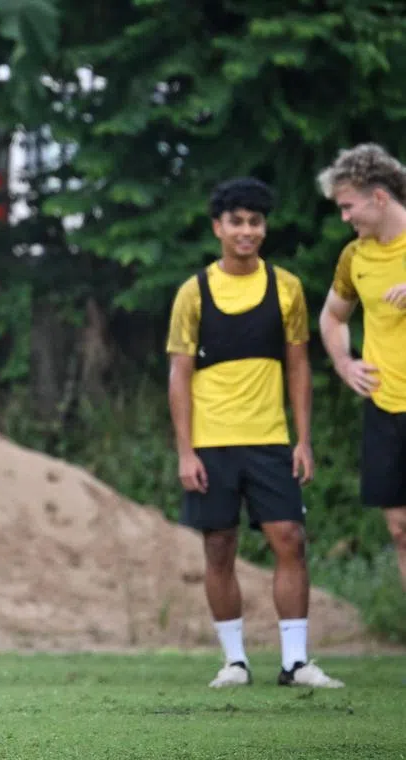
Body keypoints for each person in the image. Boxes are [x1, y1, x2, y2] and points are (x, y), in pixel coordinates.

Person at [166, 177, 342, 689]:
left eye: (255, 222)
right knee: (218, 548)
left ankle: (295, 661)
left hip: (269, 440)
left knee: (290, 539)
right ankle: (235, 662)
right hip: (212, 444)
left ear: (264, 228)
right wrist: (186, 450)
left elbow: (299, 367)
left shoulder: (286, 288)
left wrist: (303, 439)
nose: (247, 231)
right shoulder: (192, 293)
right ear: (218, 227)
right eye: (237, 222)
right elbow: (179, 374)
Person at [317, 143, 406, 591]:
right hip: (386, 408)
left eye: (348, 207)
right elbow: (332, 316)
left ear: (379, 197)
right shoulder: (355, 257)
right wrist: (343, 363)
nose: (344, 218)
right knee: (399, 530)